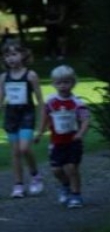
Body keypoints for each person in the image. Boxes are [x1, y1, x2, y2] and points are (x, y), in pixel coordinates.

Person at [35, 65, 90, 208]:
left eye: (66, 82)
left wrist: (80, 133)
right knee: (56, 170)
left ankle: (76, 195)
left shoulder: (77, 103)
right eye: (59, 83)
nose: (63, 86)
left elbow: (85, 120)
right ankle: (65, 185)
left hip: (72, 142)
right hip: (56, 142)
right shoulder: (51, 102)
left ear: (73, 83)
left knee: (71, 168)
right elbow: (45, 118)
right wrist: (39, 133)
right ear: (53, 84)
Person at [0, 40, 44, 198]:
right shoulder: (4, 77)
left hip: (27, 115)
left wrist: (40, 127)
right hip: (11, 116)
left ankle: (35, 175)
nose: (10, 58)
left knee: (24, 148)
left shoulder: (31, 75)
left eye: (14, 54)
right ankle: (18, 185)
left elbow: (40, 101)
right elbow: (1, 98)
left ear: (23, 54)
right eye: (7, 55)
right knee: (15, 152)